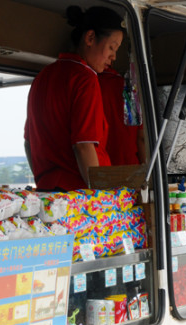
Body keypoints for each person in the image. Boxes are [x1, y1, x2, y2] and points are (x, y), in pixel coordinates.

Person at [24, 6, 124, 191]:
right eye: (112, 47)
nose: (114, 56)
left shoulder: (42, 76)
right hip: (78, 195)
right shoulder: (84, 78)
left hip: (50, 193)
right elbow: (84, 145)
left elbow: (29, 143)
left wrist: (44, 183)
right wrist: (97, 196)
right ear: (90, 38)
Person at [98, 67, 146, 165]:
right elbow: (141, 138)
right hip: (130, 166)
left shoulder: (92, 83)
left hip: (99, 165)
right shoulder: (129, 88)